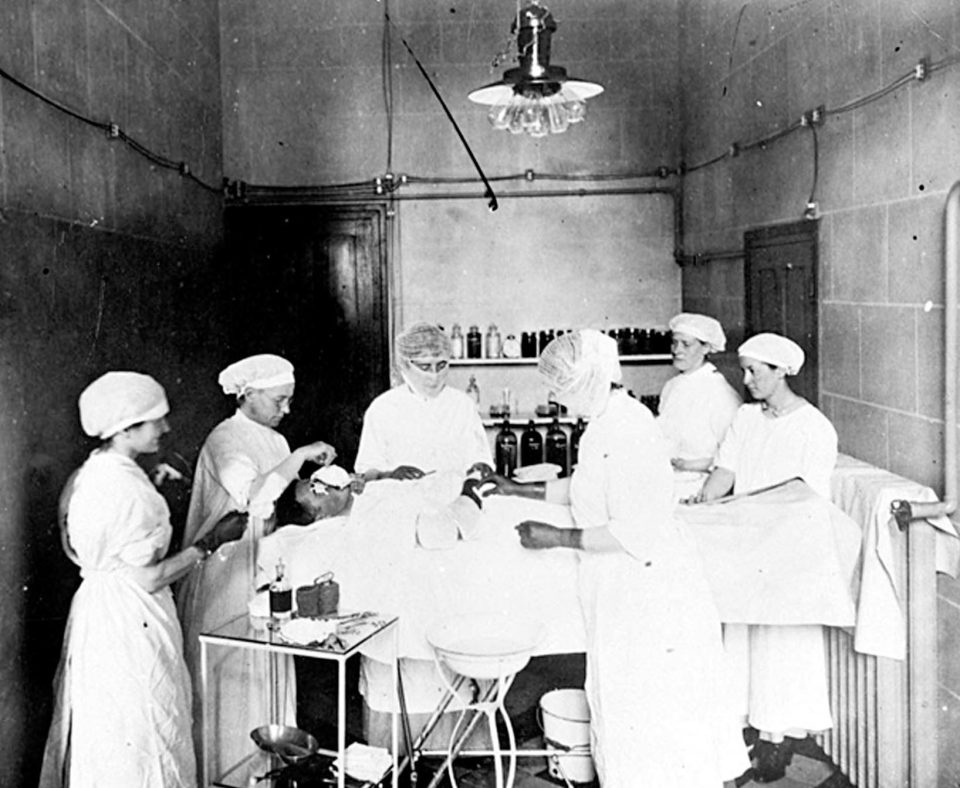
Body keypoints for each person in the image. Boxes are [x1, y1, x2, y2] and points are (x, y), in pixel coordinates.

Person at [498, 330, 747, 787]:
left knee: (651, 713)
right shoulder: (605, 422)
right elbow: (587, 486)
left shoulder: (630, 428)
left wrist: (556, 536)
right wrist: (519, 489)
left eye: (559, 385)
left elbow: (635, 531)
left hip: (647, 589)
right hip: (619, 585)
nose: (552, 395)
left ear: (587, 380)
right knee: (621, 704)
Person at [40, 372, 246, 788]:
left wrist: (150, 486)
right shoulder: (126, 491)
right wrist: (210, 542)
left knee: (108, 732)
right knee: (146, 724)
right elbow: (150, 577)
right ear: (126, 428)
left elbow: (92, 546)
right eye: (156, 421)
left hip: (97, 613)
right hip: (133, 619)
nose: (166, 429)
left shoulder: (90, 474)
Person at [175, 353, 337, 776]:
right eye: (279, 401)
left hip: (263, 568)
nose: (287, 410)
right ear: (248, 395)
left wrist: (325, 490)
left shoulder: (276, 441)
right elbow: (253, 496)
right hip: (225, 572)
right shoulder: (224, 440)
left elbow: (283, 498)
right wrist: (300, 454)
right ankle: (226, 773)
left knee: (265, 670)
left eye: (289, 400)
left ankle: (265, 776)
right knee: (229, 676)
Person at [693, 332, 839, 782]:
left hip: (790, 551)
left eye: (756, 371)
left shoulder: (813, 427)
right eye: (745, 370)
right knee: (741, 641)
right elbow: (725, 470)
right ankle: (743, 731)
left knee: (781, 648)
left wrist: (749, 514)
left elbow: (804, 496)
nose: (748, 378)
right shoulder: (746, 417)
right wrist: (702, 504)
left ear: (782, 372)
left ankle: (777, 742)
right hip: (746, 546)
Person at [354, 322, 492, 481]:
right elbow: (364, 473)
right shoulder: (383, 408)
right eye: (425, 367)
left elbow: (481, 458)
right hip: (401, 498)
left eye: (441, 365)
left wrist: (481, 466)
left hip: (456, 498)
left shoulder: (462, 405)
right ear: (404, 365)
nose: (434, 375)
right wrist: (390, 475)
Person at [657, 313, 741, 499]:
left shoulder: (720, 393)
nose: (677, 350)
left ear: (706, 348)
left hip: (699, 491)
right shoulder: (671, 387)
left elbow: (734, 456)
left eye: (686, 344)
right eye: (674, 342)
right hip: (666, 483)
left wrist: (693, 465)